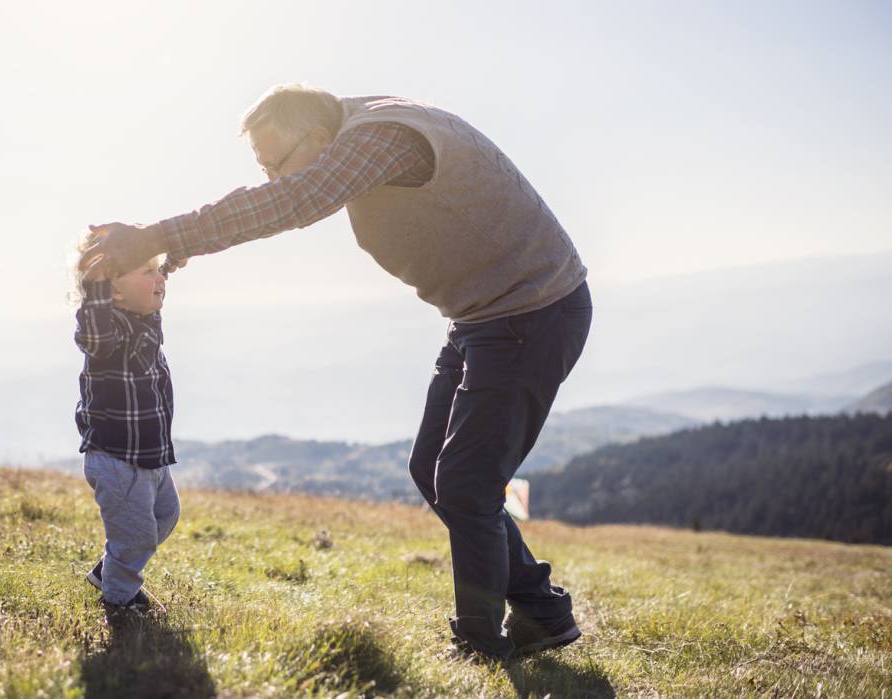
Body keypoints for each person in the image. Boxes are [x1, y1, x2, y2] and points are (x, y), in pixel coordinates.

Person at [82, 84, 592, 660]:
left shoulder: (382, 136)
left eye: (277, 162)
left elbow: (294, 201)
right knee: (434, 469)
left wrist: (159, 235)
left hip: (532, 313)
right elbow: (286, 193)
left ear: (320, 138)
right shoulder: (359, 126)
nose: (275, 177)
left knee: (467, 482)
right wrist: (190, 242)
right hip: (483, 318)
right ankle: (543, 610)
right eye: (264, 167)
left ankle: (480, 642)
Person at [73, 235, 181, 612]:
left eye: (159, 271)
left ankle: (109, 571)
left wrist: (169, 261)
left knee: (165, 517)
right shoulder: (107, 335)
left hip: (151, 457)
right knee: (136, 537)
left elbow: (151, 292)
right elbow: (95, 327)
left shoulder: (145, 321)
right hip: (118, 460)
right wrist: (97, 281)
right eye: (148, 271)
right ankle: (119, 602)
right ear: (112, 291)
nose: (160, 279)